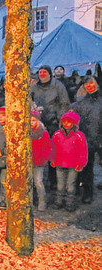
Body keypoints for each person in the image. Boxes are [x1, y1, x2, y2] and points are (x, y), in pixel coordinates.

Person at [69, 77, 102, 205]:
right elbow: (73, 116)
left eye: (92, 83)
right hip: (87, 138)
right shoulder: (81, 101)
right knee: (87, 167)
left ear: (97, 84)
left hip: (99, 136)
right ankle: (87, 193)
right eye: (87, 84)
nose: (89, 86)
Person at [51, 111, 88, 211]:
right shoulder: (57, 135)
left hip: (73, 165)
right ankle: (58, 202)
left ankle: (70, 204)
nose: (66, 124)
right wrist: (52, 159)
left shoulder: (79, 136)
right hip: (60, 163)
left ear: (74, 124)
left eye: (69, 122)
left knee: (71, 185)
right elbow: (53, 148)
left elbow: (83, 151)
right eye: (64, 121)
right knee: (60, 184)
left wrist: (81, 163)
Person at [30, 65, 70, 134]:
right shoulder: (34, 87)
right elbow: (30, 99)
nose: (42, 74)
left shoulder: (58, 85)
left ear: (49, 74)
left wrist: (59, 119)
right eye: (40, 72)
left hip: (54, 122)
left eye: (44, 72)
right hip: (39, 121)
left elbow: (64, 103)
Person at [30, 110, 52, 211]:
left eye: (34, 120)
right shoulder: (25, 132)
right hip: (28, 161)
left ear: (38, 121)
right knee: (29, 182)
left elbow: (48, 146)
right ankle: (29, 202)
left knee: (38, 182)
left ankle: (42, 202)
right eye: (30, 120)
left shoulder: (43, 133)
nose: (31, 123)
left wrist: (44, 158)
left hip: (39, 161)